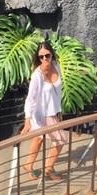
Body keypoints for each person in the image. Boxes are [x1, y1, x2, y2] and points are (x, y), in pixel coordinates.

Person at [21, 41, 68, 181]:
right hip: (40, 114)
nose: (44, 59)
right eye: (41, 57)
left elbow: (57, 92)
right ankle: (47, 169)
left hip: (53, 112)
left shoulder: (57, 67)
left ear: (52, 54)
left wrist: (58, 110)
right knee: (59, 140)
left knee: (39, 139)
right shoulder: (37, 75)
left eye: (47, 55)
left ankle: (30, 166)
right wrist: (27, 120)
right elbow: (30, 98)